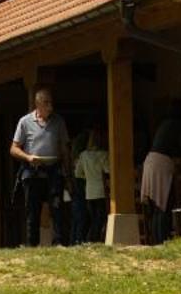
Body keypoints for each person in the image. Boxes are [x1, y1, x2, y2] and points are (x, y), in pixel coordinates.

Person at [9, 88, 71, 247]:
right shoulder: (25, 122)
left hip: (54, 170)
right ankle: (32, 245)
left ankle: (59, 243)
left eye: (51, 103)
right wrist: (28, 157)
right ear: (38, 104)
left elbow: (64, 149)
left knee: (57, 208)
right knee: (32, 211)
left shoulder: (59, 121)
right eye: (46, 103)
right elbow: (14, 149)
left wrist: (68, 173)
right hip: (32, 172)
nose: (50, 107)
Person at [140, 102, 181, 244]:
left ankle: (156, 240)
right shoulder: (176, 125)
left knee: (157, 207)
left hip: (150, 161)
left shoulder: (164, 124)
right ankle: (162, 240)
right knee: (164, 204)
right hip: (161, 164)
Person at [71, 128, 110, 247]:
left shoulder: (83, 155)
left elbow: (78, 173)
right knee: (100, 218)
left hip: (89, 192)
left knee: (93, 219)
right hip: (101, 192)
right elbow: (108, 169)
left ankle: (91, 240)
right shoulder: (103, 154)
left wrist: (87, 176)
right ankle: (94, 241)